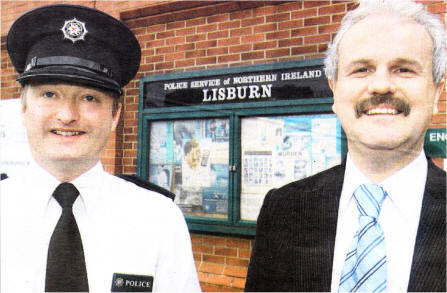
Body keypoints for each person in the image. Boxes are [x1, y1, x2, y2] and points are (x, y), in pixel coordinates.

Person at [245, 0, 446, 291]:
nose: (380, 86)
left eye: (403, 69)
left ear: (436, 92)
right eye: (362, 69)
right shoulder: (285, 210)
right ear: (335, 91)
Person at [1, 4, 201, 292]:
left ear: (115, 115)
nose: (67, 115)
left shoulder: (158, 219)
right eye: (49, 94)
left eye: (89, 98)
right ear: (23, 107)